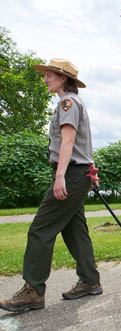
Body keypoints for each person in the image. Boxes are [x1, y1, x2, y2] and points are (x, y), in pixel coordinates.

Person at [0, 59, 101, 312]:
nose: (45, 79)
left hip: (70, 175)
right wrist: (88, 170)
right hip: (78, 173)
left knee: (40, 230)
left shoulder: (67, 102)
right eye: (45, 75)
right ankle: (90, 281)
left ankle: (33, 292)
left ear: (63, 78)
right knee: (74, 230)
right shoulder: (73, 103)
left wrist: (60, 177)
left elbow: (68, 142)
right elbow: (81, 143)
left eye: (49, 75)